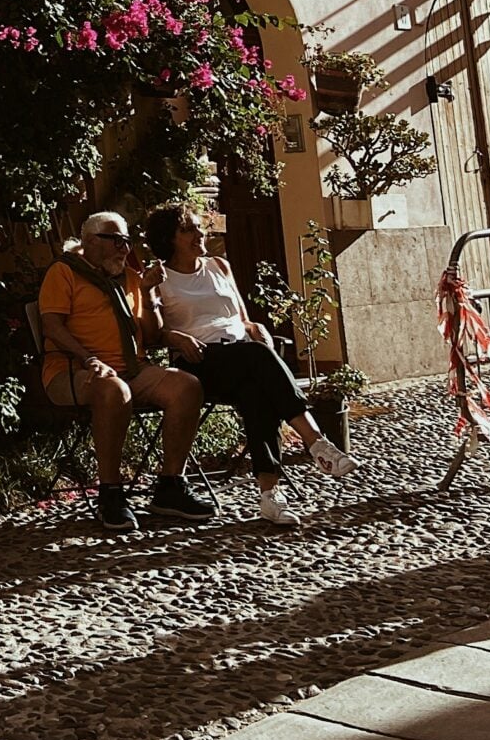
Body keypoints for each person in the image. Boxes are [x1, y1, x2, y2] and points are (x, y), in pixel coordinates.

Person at [141, 203, 356, 527]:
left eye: (199, 227)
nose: (200, 233)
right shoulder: (159, 276)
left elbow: (242, 318)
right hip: (200, 362)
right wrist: (174, 334)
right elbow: (151, 334)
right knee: (256, 357)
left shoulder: (219, 266)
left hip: (241, 356)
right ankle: (316, 442)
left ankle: (270, 496)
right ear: (168, 238)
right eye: (189, 229)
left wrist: (258, 329)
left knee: (257, 390)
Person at [37, 210, 217, 529]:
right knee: (113, 389)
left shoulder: (131, 277)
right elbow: (52, 327)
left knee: (187, 386)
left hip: (132, 368)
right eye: (117, 241)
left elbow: (150, 335)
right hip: (72, 370)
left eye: (127, 242)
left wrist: (148, 293)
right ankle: (110, 493)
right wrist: (89, 358)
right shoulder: (64, 272)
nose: (125, 248)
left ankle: (170, 486)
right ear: (91, 241)